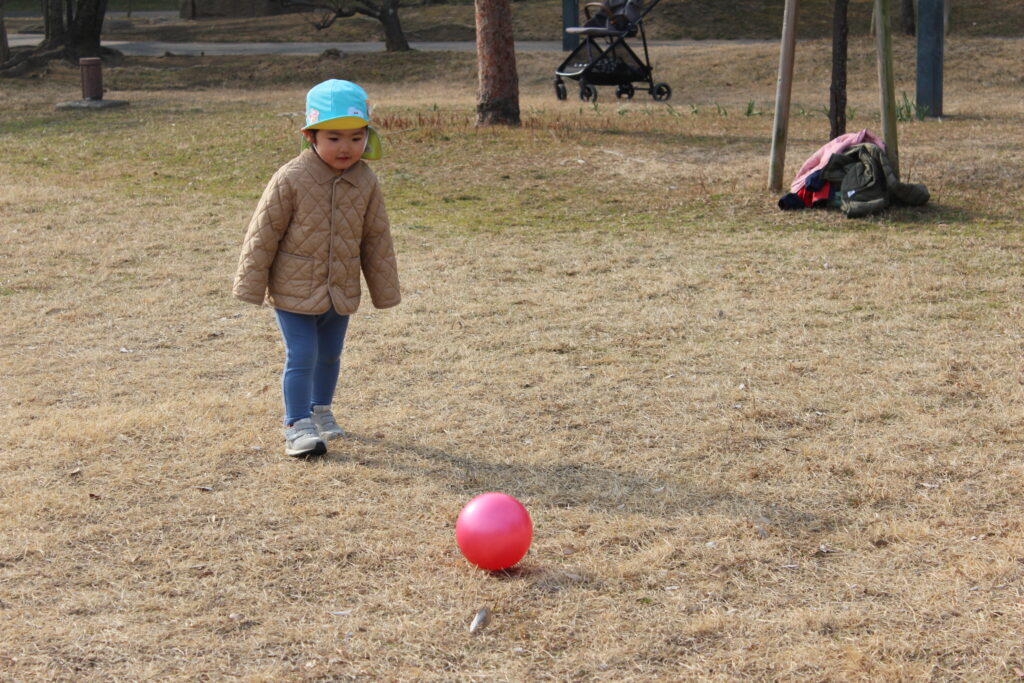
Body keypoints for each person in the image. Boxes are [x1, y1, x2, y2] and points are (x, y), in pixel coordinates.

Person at [233, 79, 400, 458]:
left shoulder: (365, 180)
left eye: (356, 138)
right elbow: (263, 234)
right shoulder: (291, 177)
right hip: (293, 288)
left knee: (330, 354)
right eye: (335, 137)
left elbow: (376, 239)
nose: (346, 148)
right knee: (303, 353)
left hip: (339, 288)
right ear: (311, 135)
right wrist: (250, 285)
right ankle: (296, 423)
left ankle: (322, 411)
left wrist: (384, 290)